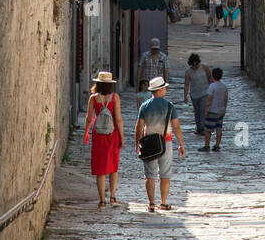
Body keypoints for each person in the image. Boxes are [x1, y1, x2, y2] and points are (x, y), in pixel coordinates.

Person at [135, 77, 186, 210]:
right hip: (165, 142)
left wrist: (137, 143)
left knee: (149, 174)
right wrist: (181, 143)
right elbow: (176, 127)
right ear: (160, 89)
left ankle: (151, 203)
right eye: (164, 88)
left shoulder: (144, 106)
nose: (166, 90)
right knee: (165, 174)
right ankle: (163, 203)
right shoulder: (169, 106)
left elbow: (139, 126)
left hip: (148, 144)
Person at [82, 71, 124, 208]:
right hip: (113, 135)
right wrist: (122, 137)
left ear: (98, 83)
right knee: (113, 166)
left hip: (98, 134)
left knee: (100, 168)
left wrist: (86, 132)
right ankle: (112, 196)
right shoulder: (115, 98)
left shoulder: (93, 98)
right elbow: (118, 119)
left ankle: (102, 201)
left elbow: (89, 118)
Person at [182, 53, 212, 135]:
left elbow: (210, 78)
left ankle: (203, 127)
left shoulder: (205, 68)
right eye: (193, 65)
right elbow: (186, 84)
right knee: (197, 111)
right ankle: (199, 127)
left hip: (205, 92)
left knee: (203, 110)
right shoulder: (188, 72)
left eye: (196, 64)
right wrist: (185, 96)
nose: (195, 66)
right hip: (194, 95)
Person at [200, 67, 229, 152]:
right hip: (220, 111)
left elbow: (209, 98)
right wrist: (224, 109)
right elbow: (226, 99)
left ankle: (207, 145)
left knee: (208, 129)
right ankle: (217, 145)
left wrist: (206, 110)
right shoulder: (224, 86)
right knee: (219, 129)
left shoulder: (212, 86)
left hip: (212, 111)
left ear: (212, 76)